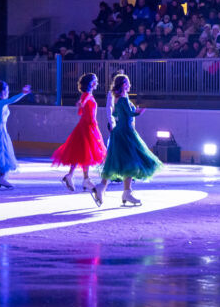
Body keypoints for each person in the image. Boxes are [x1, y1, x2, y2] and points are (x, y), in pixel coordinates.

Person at [99, 74, 162, 207]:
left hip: (122, 131)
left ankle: (114, 189)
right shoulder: (122, 99)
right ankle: (124, 191)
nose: (130, 85)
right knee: (129, 161)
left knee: (122, 161)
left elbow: (117, 114)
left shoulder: (119, 98)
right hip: (125, 132)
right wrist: (139, 111)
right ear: (123, 85)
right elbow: (130, 113)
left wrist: (130, 111)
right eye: (128, 83)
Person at [52, 73, 109, 201]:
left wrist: (82, 103)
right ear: (91, 83)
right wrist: (82, 102)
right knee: (85, 152)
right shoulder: (87, 95)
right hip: (87, 127)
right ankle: (85, 179)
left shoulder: (88, 95)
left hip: (88, 126)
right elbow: (83, 103)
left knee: (81, 152)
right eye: (95, 81)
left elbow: (81, 109)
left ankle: (73, 175)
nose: (97, 83)